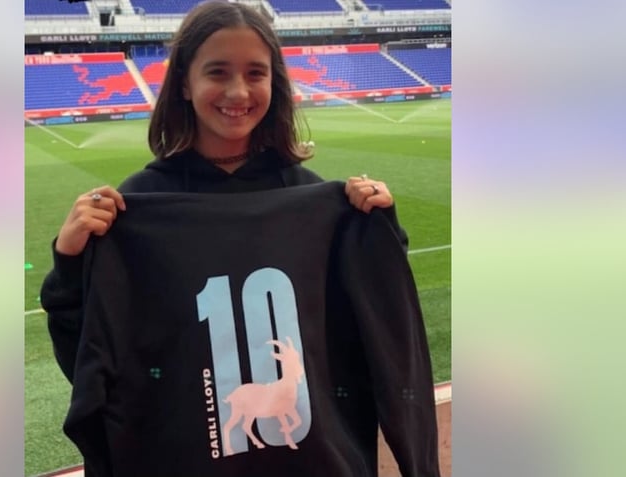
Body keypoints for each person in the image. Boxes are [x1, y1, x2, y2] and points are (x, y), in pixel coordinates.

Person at [40, 1, 431, 475]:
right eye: (218, 72)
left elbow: (380, 327)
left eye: (255, 73)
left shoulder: (316, 202)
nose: (238, 91)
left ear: (275, 82)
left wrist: (378, 236)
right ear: (184, 82)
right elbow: (91, 356)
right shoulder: (138, 209)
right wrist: (71, 264)